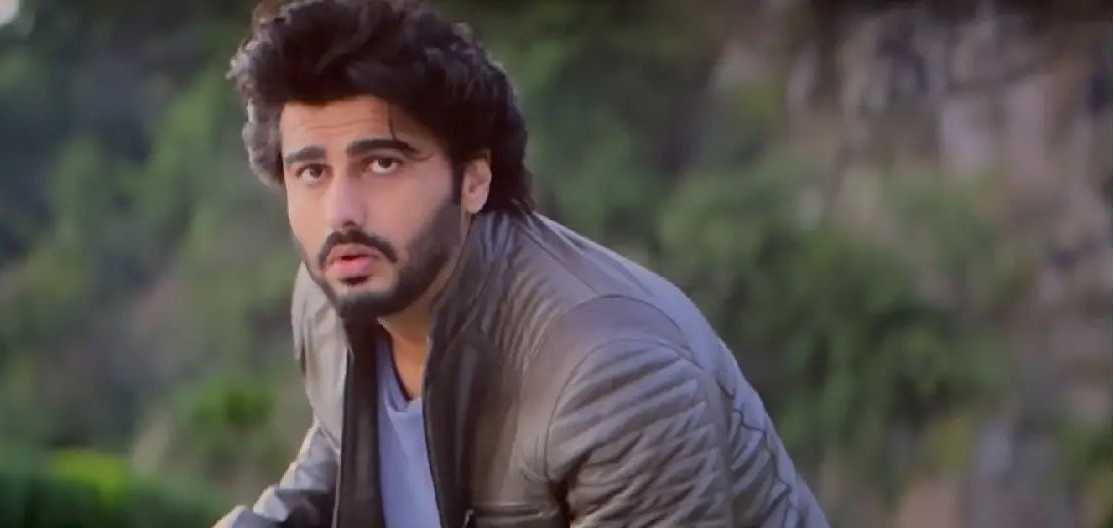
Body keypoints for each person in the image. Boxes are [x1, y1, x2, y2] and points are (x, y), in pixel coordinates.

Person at [215, 0, 829, 526]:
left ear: (473, 180)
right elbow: (350, 449)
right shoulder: (334, 294)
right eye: (312, 171)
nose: (341, 213)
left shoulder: (613, 376)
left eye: (382, 163)